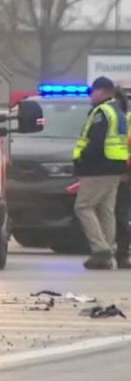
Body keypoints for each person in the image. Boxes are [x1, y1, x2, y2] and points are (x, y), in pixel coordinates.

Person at [72, 76, 130, 270]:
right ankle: (108, 249)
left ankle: (101, 250)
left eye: (93, 91)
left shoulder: (102, 112)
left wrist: (81, 161)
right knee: (106, 210)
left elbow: (95, 142)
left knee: (83, 207)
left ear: (102, 91)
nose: (91, 95)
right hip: (115, 167)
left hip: (98, 168)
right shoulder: (118, 112)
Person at [114, 87, 131, 269]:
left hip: (124, 175)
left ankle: (123, 253)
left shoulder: (127, 120)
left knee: (121, 215)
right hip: (106, 173)